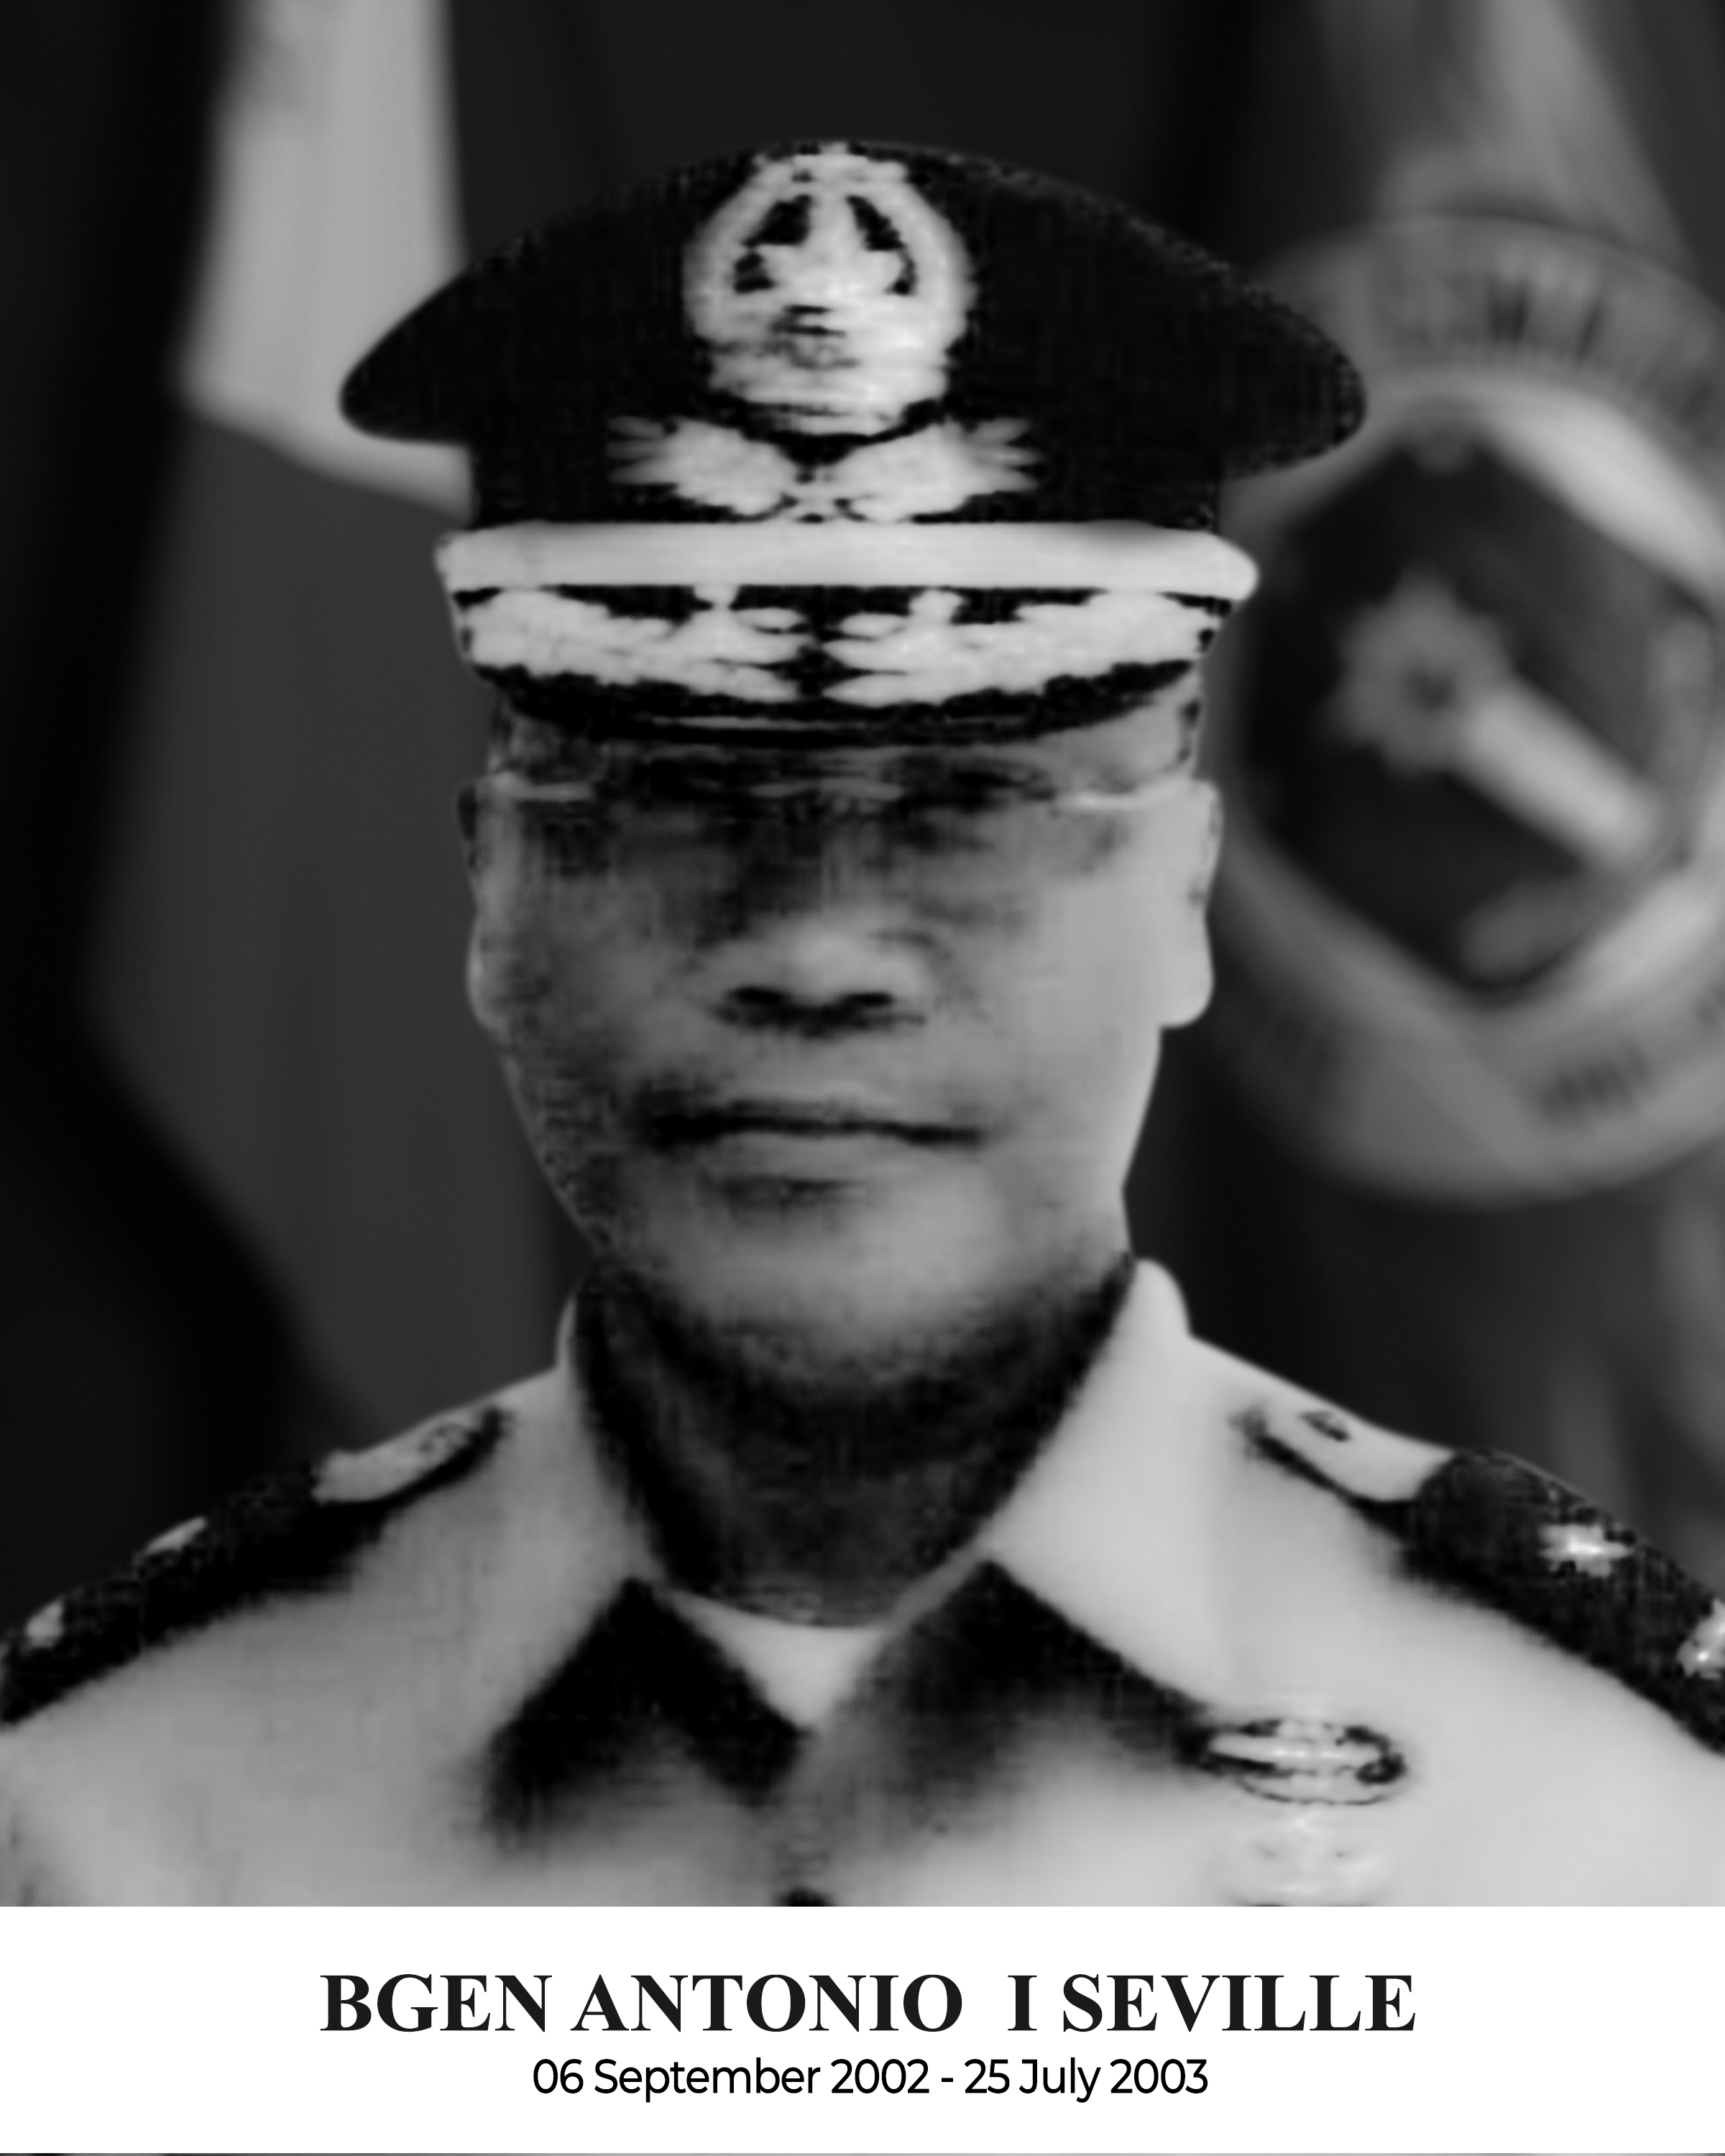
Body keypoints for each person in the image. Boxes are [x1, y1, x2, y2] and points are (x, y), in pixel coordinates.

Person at [1, 142, 1721, 1904]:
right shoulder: (97, 1817)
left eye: (969, 806)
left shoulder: (1619, 1815)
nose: (819, 953)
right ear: (494, 892)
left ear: (1187, 895)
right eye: (678, 800)